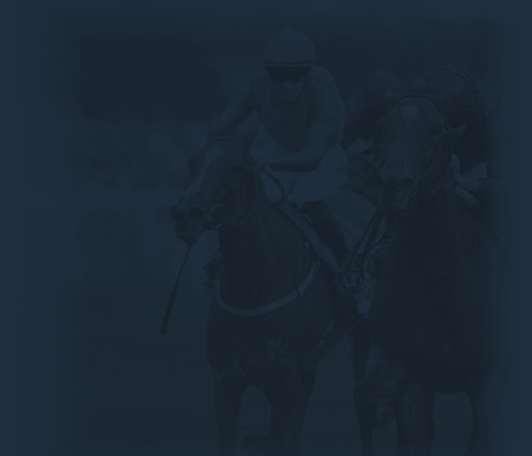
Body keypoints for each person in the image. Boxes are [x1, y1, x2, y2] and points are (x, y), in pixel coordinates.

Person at [196, 27, 350, 272]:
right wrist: (207, 152)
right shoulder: (258, 85)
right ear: (268, 73)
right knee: (244, 200)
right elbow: (223, 125)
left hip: (322, 161)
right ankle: (226, 258)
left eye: (296, 75)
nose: (287, 85)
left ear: (309, 72)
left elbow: (311, 157)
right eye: (279, 75)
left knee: (312, 205)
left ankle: (344, 265)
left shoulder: (322, 88)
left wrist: (265, 165)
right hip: (277, 154)